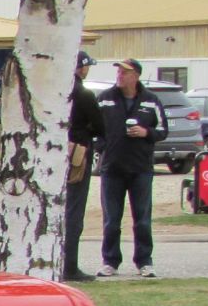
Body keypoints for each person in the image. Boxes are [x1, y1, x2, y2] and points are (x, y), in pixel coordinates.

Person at [95, 58, 167, 278]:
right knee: (111, 219)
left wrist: (147, 133)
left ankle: (144, 262)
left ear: (135, 76)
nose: (120, 76)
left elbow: (163, 130)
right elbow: (93, 128)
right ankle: (110, 262)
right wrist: (103, 146)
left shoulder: (150, 100)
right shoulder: (105, 99)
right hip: (112, 168)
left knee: (142, 218)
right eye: (118, 72)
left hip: (141, 169)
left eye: (124, 72)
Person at [63, 51, 105, 282]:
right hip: (77, 154)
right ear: (82, 68)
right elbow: (100, 126)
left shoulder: (57, 91)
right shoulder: (83, 94)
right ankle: (70, 266)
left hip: (55, 155)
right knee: (74, 210)